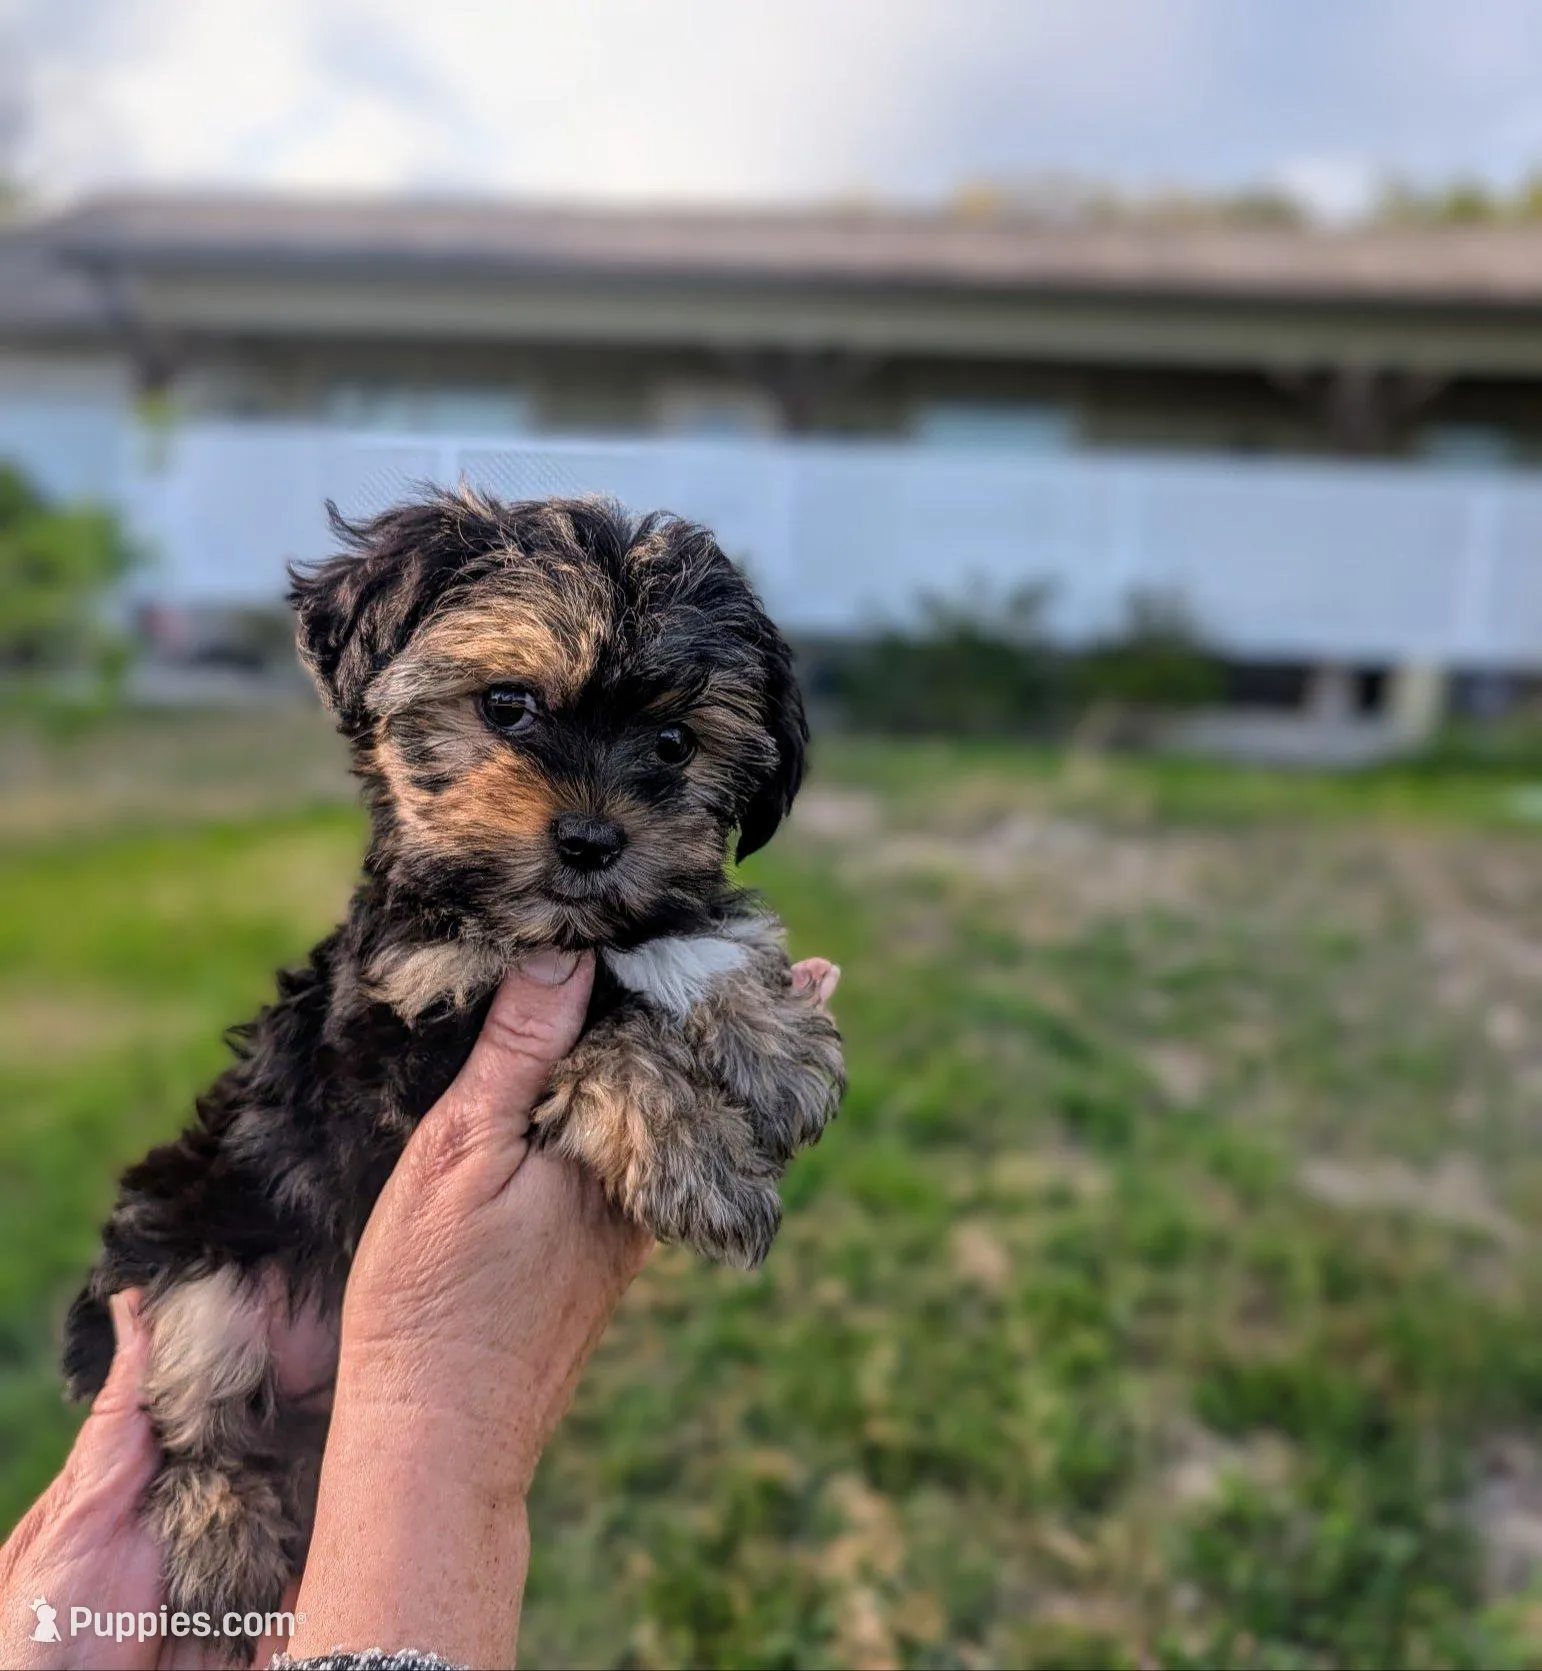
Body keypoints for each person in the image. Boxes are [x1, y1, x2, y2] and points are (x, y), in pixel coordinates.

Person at [0, 949, 841, 1669]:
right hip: (243, 1265)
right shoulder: (422, 945)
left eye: (666, 748)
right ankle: (211, 1477)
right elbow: (417, 1087)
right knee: (207, 1352)